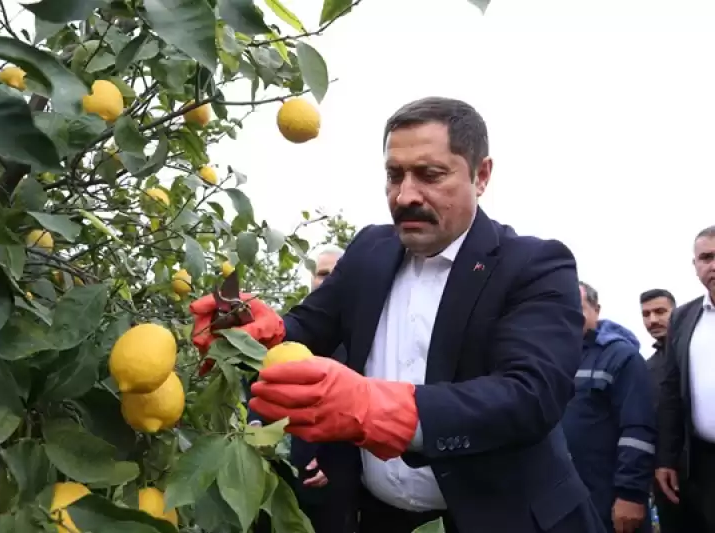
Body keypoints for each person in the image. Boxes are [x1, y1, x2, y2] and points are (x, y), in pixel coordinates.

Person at [190, 97, 605, 533]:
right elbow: (304, 332)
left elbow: (530, 395)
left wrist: (379, 407)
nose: (405, 195)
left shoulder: (534, 265)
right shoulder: (370, 250)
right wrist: (251, 331)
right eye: (394, 175)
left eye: (430, 175)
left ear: (480, 176)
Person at [249, 246, 353, 533]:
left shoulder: (359, 339)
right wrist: (253, 424)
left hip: (327, 484)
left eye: (334, 275)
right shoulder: (293, 332)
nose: (327, 280)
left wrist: (337, 461)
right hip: (276, 476)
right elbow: (256, 387)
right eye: (322, 274)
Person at [562, 282, 656, 533]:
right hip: (563, 500)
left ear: (596, 309)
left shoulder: (622, 357)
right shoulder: (552, 359)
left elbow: (638, 430)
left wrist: (631, 495)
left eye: (577, 307)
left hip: (610, 501)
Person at [657, 225, 715, 532]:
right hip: (703, 462)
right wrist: (665, 458)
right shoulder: (683, 318)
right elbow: (669, 393)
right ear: (695, 266)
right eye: (706, 257)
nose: (714, 265)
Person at [639, 288, 682, 533]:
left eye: (660, 312)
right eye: (646, 314)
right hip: (664, 477)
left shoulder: (698, 354)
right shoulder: (647, 368)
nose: (652, 320)